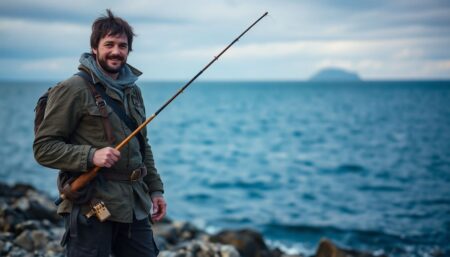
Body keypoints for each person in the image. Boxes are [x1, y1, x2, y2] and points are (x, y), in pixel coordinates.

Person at [33, 9, 165, 257]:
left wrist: (156, 190)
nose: (116, 51)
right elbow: (43, 148)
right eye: (109, 44)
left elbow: (142, 147)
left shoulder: (132, 92)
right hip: (91, 206)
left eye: (122, 46)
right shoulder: (72, 89)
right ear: (95, 48)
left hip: (135, 204)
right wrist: (91, 155)